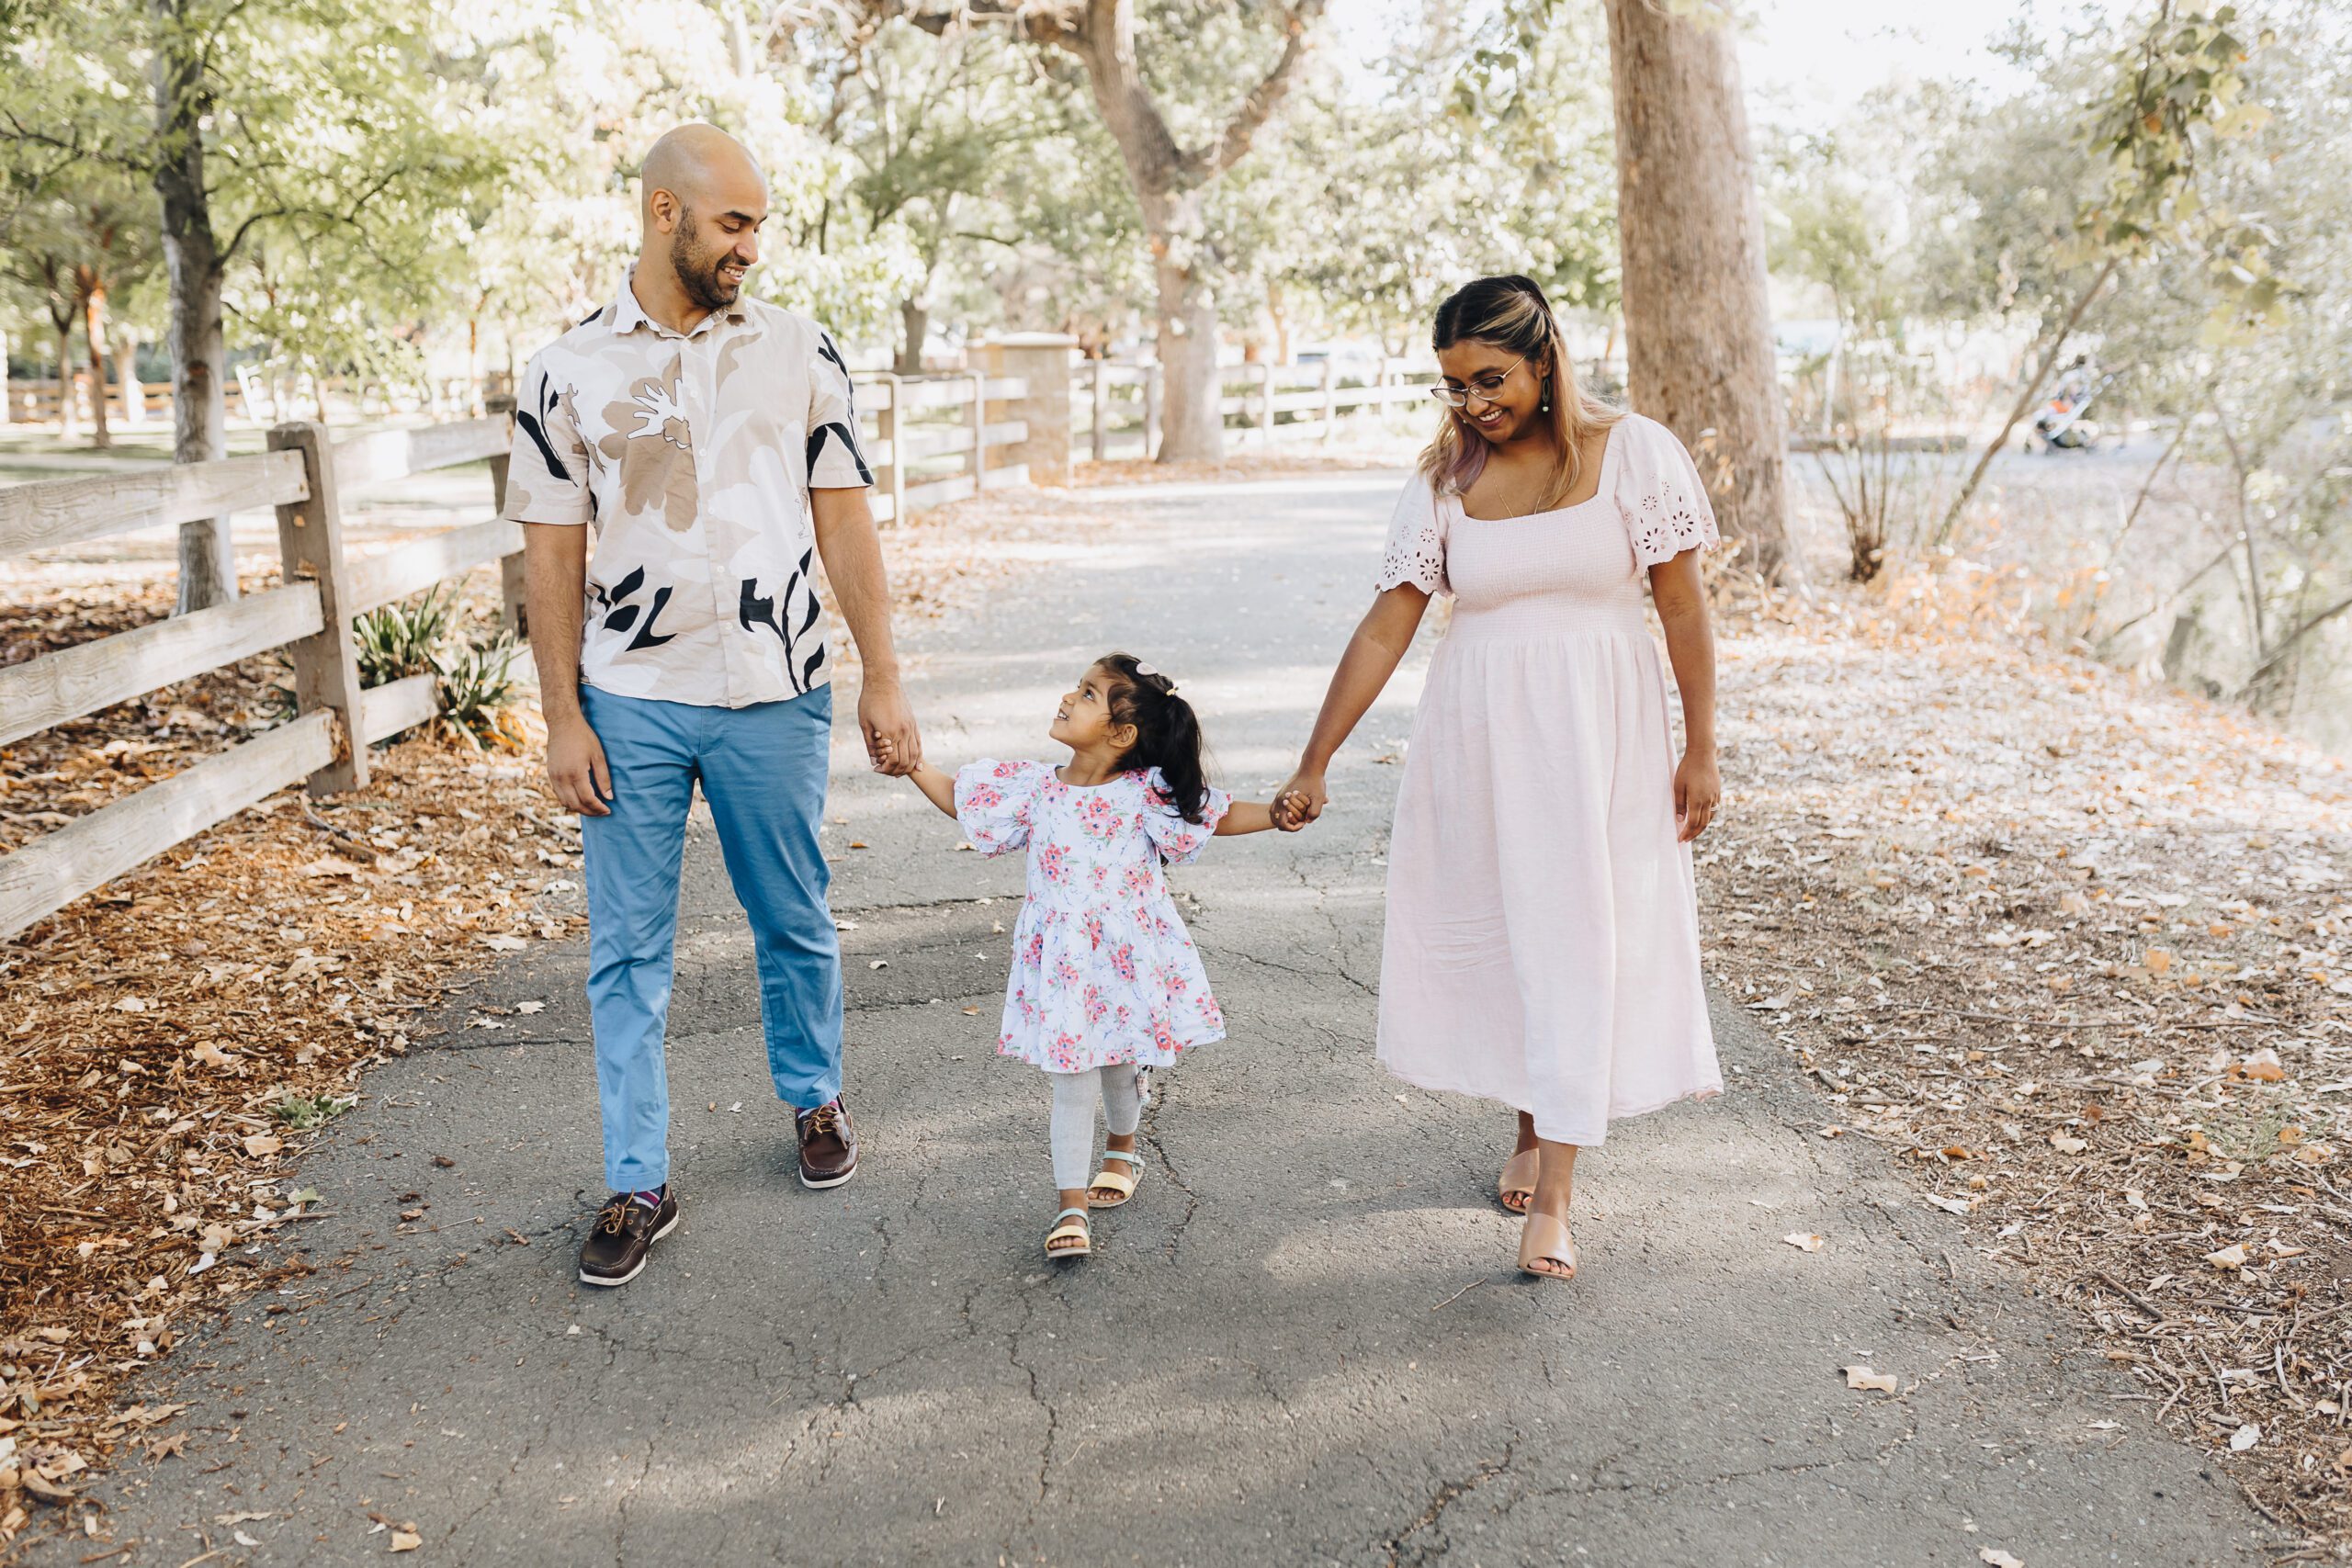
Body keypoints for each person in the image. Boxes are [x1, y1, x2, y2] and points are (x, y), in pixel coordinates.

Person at [502, 123, 922, 1289]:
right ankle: (638, 1179)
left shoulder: (800, 350)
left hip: (775, 688)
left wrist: (883, 676)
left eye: (759, 225)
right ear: (662, 213)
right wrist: (559, 717)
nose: (752, 247)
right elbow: (550, 553)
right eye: (733, 223)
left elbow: (843, 516)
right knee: (626, 951)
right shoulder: (565, 371)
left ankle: (815, 1100)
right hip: (628, 695)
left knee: (794, 916)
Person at [1275, 275, 1724, 1283]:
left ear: (1545, 359)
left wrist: (1700, 745)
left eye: (1491, 380)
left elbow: (1684, 609)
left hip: (1599, 727)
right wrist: (1317, 756)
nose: (1473, 404)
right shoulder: (1446, 477)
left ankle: (1558, 1192)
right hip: (1477, 731)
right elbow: (1390, 618)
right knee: (1516, 927)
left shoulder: (1635, 453)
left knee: (1576, 933)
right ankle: (1533, 1119)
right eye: (1452, 387)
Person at [883, 655, 1301, 1259]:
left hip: (1127, 960)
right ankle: (1070, 1206)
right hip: (1064, 965)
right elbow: (964, 799)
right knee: (1072, 1077)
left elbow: (1211, 813)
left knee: (1120, 1064)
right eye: (1078, 687)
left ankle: (1122, 1147)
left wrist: (1276, 815)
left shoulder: (1144, 796)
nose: (1067, 697)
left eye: (1087, 694)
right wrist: (914, 764)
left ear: (1122, 733)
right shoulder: (1035, 789)